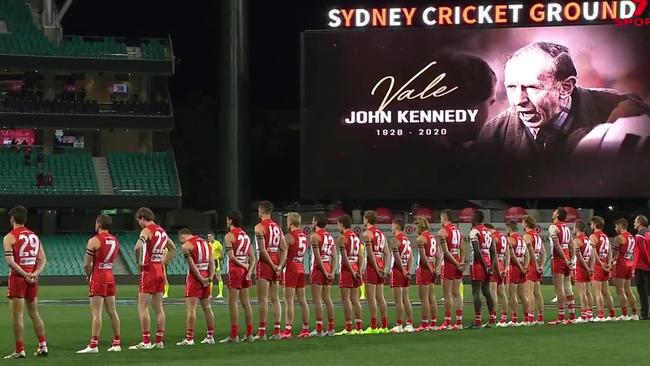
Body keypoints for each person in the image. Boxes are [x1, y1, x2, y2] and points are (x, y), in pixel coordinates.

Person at [476, 41, 650, 160]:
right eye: (511, 87)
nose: (518, 100)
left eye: (532, 87)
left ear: (566, 87)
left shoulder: (629, 114)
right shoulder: (492, 135)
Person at [3, 206, 48, 359]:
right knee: (34, 313)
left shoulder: (9, 237)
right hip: (32, 279)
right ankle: (43, 346)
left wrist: (24, 275)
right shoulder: (34, 236)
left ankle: (19, 350)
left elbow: (10, 261)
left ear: (12, 219)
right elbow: (43, 259)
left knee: (17, 316)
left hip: (18, 279)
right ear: (25, 220)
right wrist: (33, 274)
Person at [129, 207, 176, 350]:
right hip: (159, 270)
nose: (139, 224)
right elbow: (173, 247)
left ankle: (146, 341)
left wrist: (138, 262)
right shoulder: (161, 230)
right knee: (159, 307)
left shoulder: (146, 230)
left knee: (142, 306)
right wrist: (164, 262)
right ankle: (159, 340)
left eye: (139, 221)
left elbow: (137, 247)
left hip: (148, 270)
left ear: (143, 218)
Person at [76, 215, 122, 354]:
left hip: (98, 275)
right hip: (109, 275)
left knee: (96, 313)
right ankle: (117, 343)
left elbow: (87, 263)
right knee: (112, 311)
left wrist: (88, 276)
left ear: (99, 224)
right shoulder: (115, 240)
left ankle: (93, 344)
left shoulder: (94, 240)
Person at [220, 211, 256, 343]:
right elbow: (253, 257)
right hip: (245, 272)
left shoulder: (229, 236)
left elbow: (232, 257)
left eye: (227, 219)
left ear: (230, 220)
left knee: (233, 303)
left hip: (235, 271)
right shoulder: (246, 236)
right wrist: (249, 270)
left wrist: (244, 266)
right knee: (246, 303)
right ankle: (250, 334)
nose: (226, 221)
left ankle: (234, 335)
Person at [254, 201, 287, 341]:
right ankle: (277, 330)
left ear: (261, 211)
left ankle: (262, 332)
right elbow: (284, 249)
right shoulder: (278, 227)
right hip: (276, 261)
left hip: (265, 263)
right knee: (275, 298)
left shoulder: (259, 227)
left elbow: (262, 251)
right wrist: (279, 266)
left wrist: (273, 266)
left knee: (263, 299)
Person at [176, 228, 215, 346]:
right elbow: (212, 262)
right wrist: (210, 277)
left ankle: (189, 338)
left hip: (195, 279)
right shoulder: (206, 243)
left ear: (182, 237)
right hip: (207, 275)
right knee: (207, 307)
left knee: (191, 310)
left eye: (181, 240)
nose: (181, 243)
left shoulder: (186, 246)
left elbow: (192, 266)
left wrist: (200, 279)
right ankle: (210, 336)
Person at [280, 212, 310, 339]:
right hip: (301, 268)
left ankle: (287, 330)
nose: (287, 223)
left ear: (291, 223)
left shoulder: (288, 237)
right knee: (303, 300)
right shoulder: (304, 236)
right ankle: (305, 328)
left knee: (289, 301)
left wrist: (279, 267)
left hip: (291, 269)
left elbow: (285, 255)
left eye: (287, 221)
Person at [361, 210, 391, 334]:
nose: (363, 221)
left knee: (371, 297)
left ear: (367, 219)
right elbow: (387, 253)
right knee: (380, 297)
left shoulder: (367, 233)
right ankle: (384, 326)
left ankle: (373, 327)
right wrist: (384, 269)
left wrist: (377, 270)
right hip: (381, 263)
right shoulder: (381, 234)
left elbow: (370, 254)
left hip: (373, 266)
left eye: (364, 218)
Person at [309, 213, 338, 337]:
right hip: (328, 266)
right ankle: (331, 328)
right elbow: (335, 256)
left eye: (313, 220)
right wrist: (332, 271)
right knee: (327, 299)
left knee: (317, 300)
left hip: (319, 268)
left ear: (316, 222)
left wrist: (325, 272)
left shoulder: (314, 236)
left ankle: (319, 328)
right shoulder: (330, 237)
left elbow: (317, 257)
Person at [336, 214, 364, 335]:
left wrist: (352, 272)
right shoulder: (356, 237)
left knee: (346, 299)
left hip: (348, 270)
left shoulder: (342, 238)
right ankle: (359, 327)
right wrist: (360, 270)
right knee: (355, 299)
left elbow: (345, 257)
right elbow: (361, 256)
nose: (338, 226)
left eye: (338, 224)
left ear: (342, 224)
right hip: (356, 266)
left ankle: (349, 327)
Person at [548, 207, 576, 325]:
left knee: (559, 289)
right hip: (567, 259)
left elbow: (557, 245)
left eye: (554, 211)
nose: (553, 212)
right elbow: (571, 245)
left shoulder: (553, 227)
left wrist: (564, 259)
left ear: (557, 214)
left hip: (559, 260)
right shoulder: (567, 228)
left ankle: (561, 317)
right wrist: (571, 260)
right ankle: (572, 316)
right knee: (567, 287)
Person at [468, 211, 495, 329]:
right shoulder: (488, 232)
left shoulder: (474, 231)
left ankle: (478, 321)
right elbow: (493, 250)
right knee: (487, 291)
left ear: (475, 219)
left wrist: (484, 266)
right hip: (488, 261)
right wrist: (491, 266)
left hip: (478, 263)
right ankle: (492, 320)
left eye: (472, 217)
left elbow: (477, 250)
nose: (470, 219)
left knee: (476, 291)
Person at [438, 209, 465, 330]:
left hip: (449, 263)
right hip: (458, 260)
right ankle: (459, 323)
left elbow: (446, 252)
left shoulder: (443, 231)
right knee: (457, 294)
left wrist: (456, 263)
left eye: (440, 218)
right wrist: (461, 262)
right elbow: (463, 249)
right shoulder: (458, 230)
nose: (440, 220)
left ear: (444, 218)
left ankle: (447, 322)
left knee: (447, 294)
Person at [414, 216, 442, 331]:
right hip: (432, 267)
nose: (415, 228)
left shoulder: (421, 238)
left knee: (424, 299)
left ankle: (425, 324)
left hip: (425, 269)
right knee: (432, 297)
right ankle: (433, 323)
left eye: (416, 226)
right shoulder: (432, 237)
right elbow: (439, 256)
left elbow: (423, 257)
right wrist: (437, 268)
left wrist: (430, 269)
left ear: (419, 225)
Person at [389, 218, 414, 333]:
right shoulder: (407, 240)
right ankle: (409, 324)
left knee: (398, 300)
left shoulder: (395, 240)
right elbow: (411, 257)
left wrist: (403, 271)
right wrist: (408, 270)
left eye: (392, 225)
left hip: (398, 270)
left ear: (397, 226)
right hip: (405, 269)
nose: (391, 227)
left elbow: (397, 257)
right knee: (405, 299)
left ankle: (399, 325)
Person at [612, 218, 639, 321]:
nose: (615, 229)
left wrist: (612, 263)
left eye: (616, 226)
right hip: (629, 263)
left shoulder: (619, 238)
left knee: (620, 291)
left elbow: (616, 254)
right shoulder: (631, 237)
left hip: (621, 264)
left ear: (620, 226)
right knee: (628, 290)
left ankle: (624, 315)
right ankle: (634, 314)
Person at [589, 216, 616, 321]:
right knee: (606, 291)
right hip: (605, 265)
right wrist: (608, 264)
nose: (591, 225)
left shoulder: (593, 236)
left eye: (592, 224)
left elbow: (594, 253)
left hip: (598, 266)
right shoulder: (605, 236)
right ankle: (612, 314)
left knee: (597, 292)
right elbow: (610, 252)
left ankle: (600, 315)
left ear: (595, 224)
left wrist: (601, 265)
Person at [521, 217, 546, 325]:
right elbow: (544, 253)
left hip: (531, 266)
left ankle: (530, 319)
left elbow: (530, 251)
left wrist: (535, 265)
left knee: (528, 293)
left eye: (522, 222)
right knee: (537, 293)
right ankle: (540, 318)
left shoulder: (527, 236)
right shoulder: (537, 236)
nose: (522, 224)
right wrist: (542, 266)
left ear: (526, 224)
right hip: (537, 266)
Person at [506, 220, 529, 326]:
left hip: (514, 268)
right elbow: (527, 255)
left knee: (512, 294)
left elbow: (511, 255)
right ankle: (526, 319)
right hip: (522, 268)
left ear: (510, 228)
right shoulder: (522, 239)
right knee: (522, 295)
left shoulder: (510, 239)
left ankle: (514, 319)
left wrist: (520, 267)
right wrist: (525, 267)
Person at [487, 224, 510, 328]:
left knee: (493, 294)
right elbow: (508, 254)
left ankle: (493, 319)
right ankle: (504, 318)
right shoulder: (503, 237)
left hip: (495, 265)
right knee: (502, 293)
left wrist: (497, 268)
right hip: (502, 265)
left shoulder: (493, 237)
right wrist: (505, 268)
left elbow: (494, 254)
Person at [572, 220, 595, 324]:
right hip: (587, 267)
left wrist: (586, 268)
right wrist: (591, 268)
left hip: (581, 268)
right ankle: (590, 315)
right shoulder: (588, 240)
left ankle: (583, 315)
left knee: (582, 293)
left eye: (574, 227)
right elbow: (593, 256)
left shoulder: (577, 240)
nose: (573, 229)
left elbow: (579, 256)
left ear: (577, 228)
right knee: (587, 292)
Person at [633, 215, 650, 320]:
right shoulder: (648, 233)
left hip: (642, 267)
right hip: (647, 267)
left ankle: (645, 314)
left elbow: (643, 253)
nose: (634, 223)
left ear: (639, 223)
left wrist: (648, 263)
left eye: (635, 221)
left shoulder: (640, 235)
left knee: (643, 292)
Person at [207, 232, 224, 299]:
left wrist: (219, 259)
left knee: (218, 277)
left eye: (210, 236)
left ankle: (220, 293)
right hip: (209, 262)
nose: (209, 238)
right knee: (210, 278)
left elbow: (222, 254)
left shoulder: (218, 244)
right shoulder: (208, 244)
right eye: (208, 236)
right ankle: (210, 294)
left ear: (213, 236)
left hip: (215, 261)